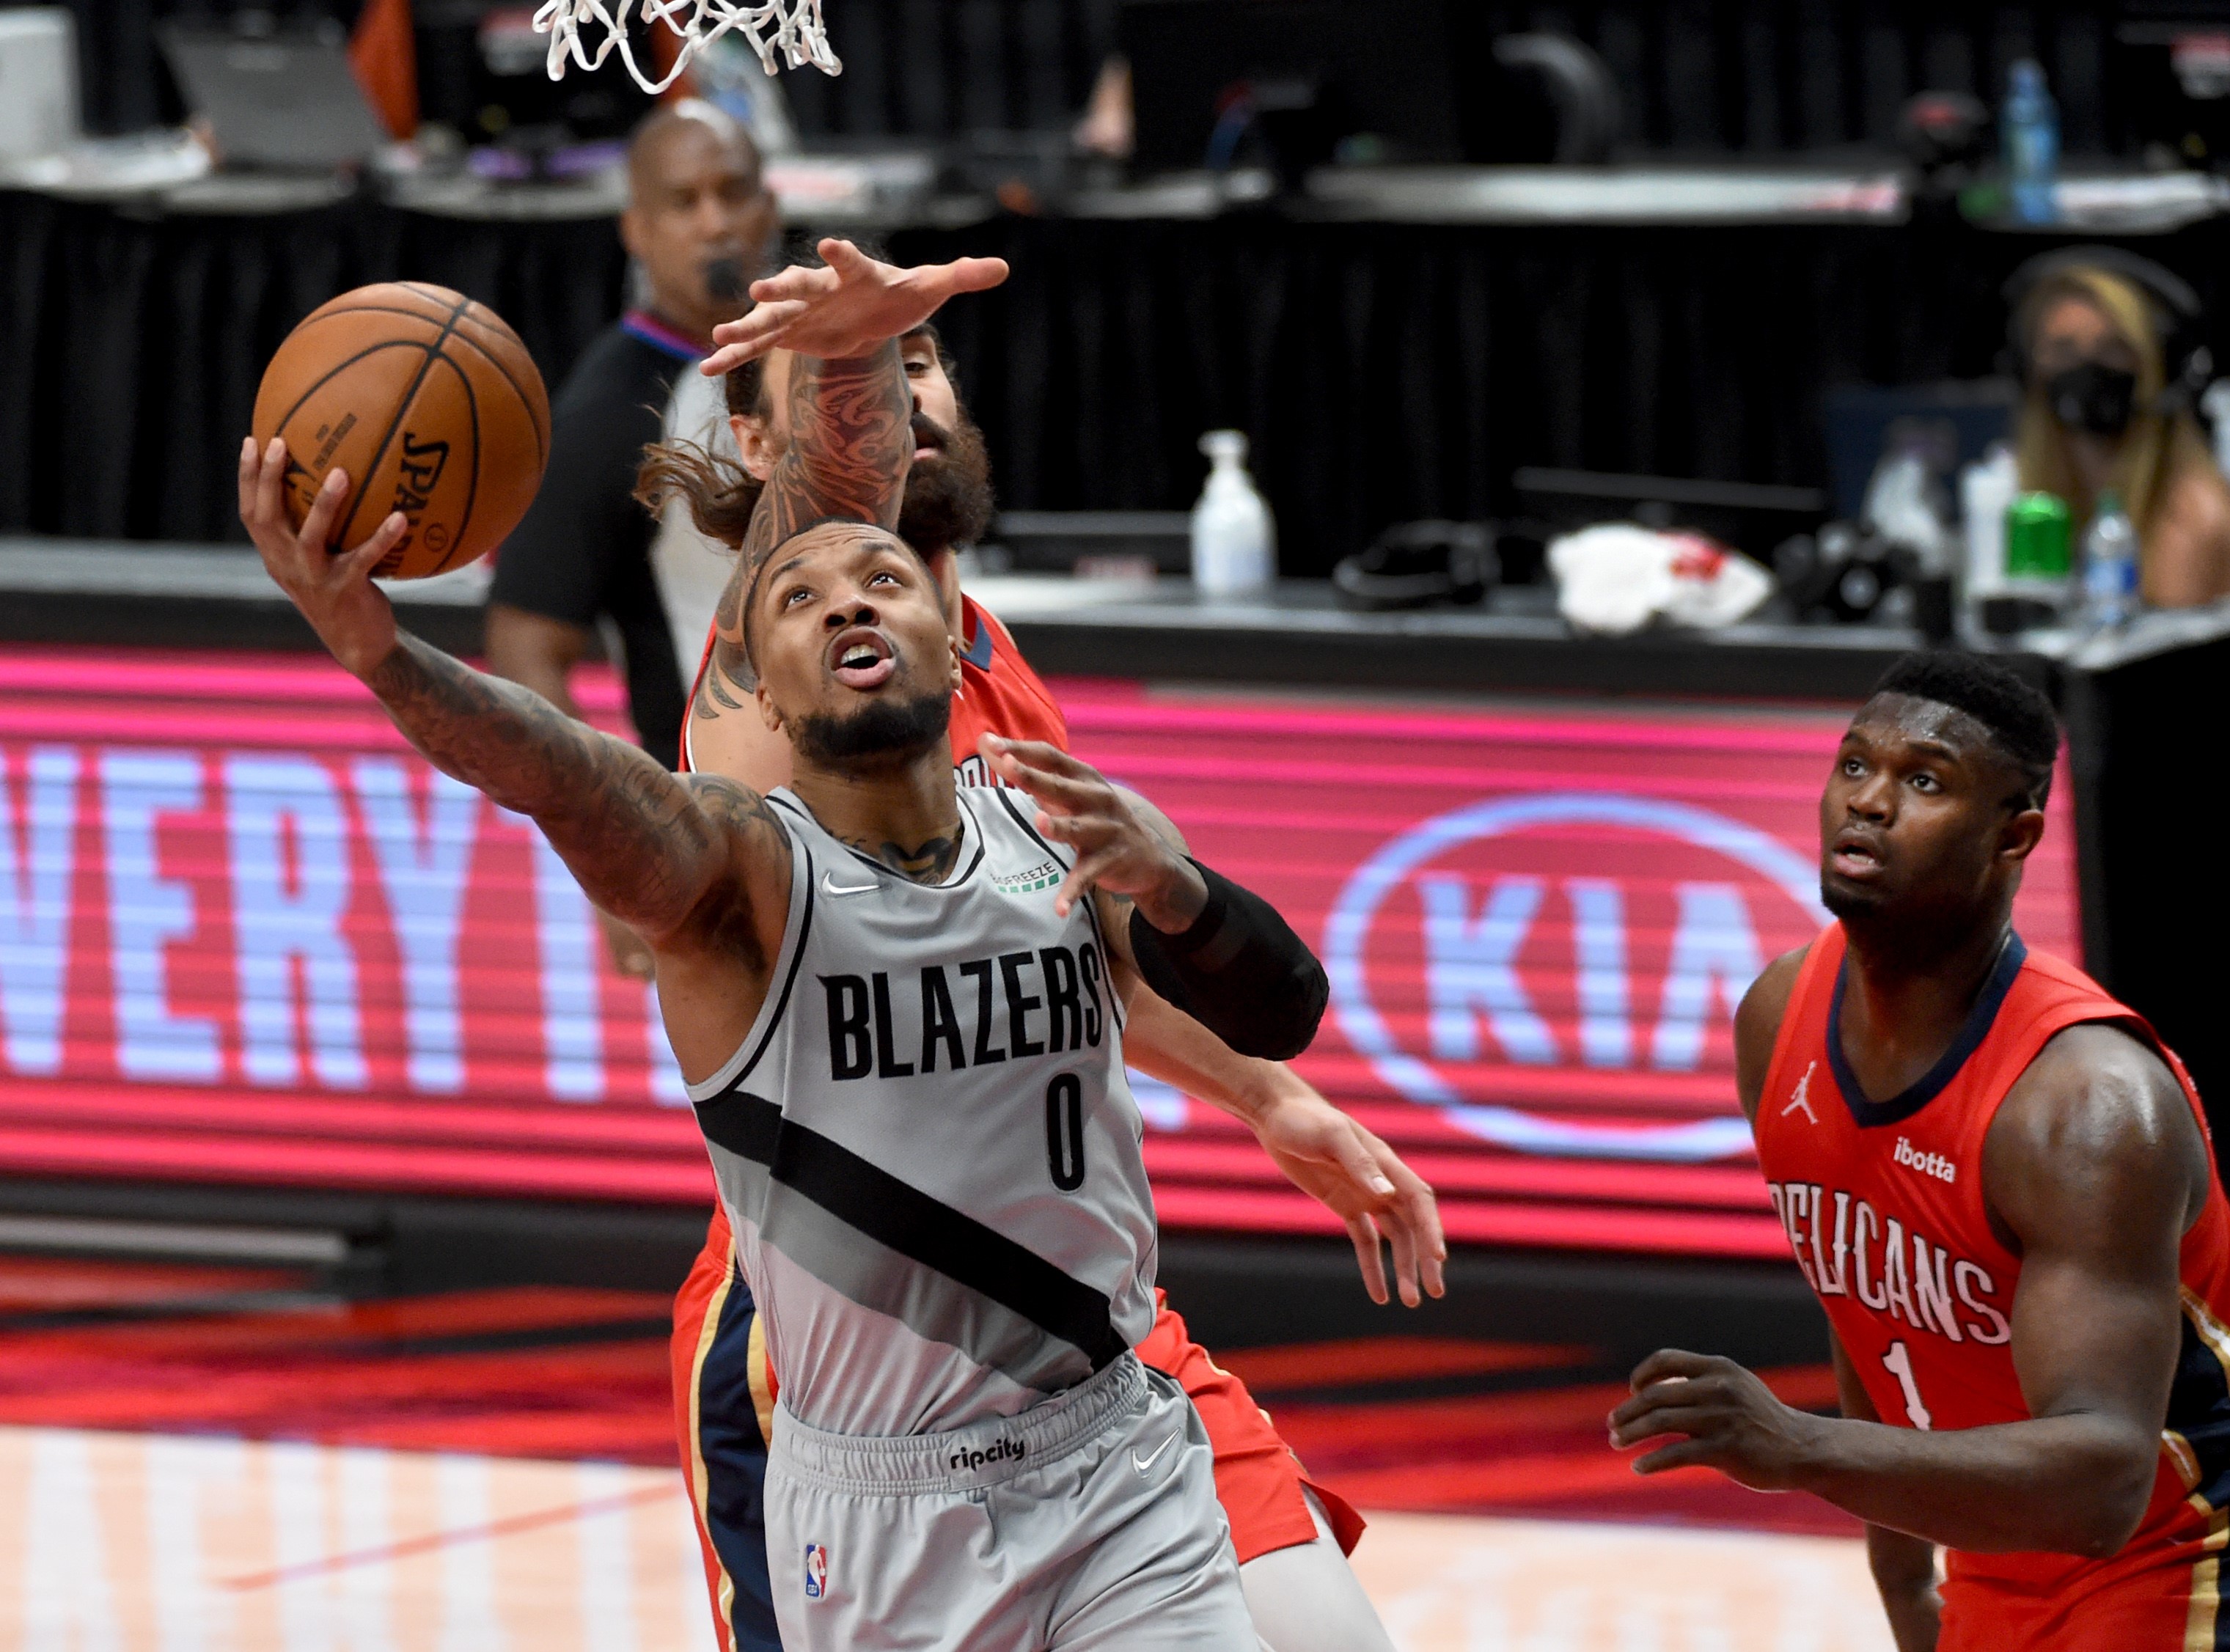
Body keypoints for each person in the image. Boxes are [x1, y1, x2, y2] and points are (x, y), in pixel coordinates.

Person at [240, 379, 1312, 1645]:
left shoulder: (1058, 834)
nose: (849, 598)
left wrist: (1178, 884)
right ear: (765, 702)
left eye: (884, 578)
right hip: (882, 1514)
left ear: (948, 625)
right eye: (797, 600)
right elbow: (551, 767)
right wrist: (380, 652)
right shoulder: (738, 878)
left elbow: (1279, 1010)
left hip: (1119, 1464)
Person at [640, 243, 1434, 1652]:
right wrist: (850, 360)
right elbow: (841, 491)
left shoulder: (979, 650)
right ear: (784, 440)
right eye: (879, 375)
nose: (913, 393)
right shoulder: (776, 685)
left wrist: (1271, 1095)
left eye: (926, 357)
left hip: (1090, 1341)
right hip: (845, 1347)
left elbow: (1079, 945)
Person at [1607, 650, 2230, 1651]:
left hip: (2175, 1556)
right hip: (1982, 1552)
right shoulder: (1779, 1014)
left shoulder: (2085, 1107)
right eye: (1855, 767)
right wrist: (1904, 1583)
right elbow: (1869, 1319)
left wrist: (1802, 1446)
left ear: (2012, 836)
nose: (1870, 803)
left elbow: (2106, 1478)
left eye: (1924, 781)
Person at [485, 99, 779, 977]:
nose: (715, 221)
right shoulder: (606, 414)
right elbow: (522, 650)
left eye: (732, 193)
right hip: (726, 833)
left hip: (881, 804)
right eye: (684, 203)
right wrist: (612, 844)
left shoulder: (821, 362)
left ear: (771, 206)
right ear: (636, 231)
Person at [2009, 250, 2230, 607]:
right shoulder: (2026, 498)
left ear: (2158, 368)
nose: (2086, 367)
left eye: (2113, 348)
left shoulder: (2193, 516)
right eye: (2062, 349)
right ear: (2028, 370)